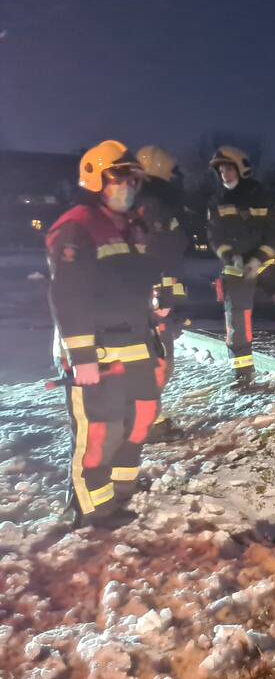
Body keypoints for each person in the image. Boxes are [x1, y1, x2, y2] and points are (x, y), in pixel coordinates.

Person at [46, 140, 160, 527]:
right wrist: (82, 357)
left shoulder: (132, 226)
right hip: (97, 351)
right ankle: (93, 508)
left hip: (135, 342)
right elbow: (67, 295)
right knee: (101, 431)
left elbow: (138, 280)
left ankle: (121, 490)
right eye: (118, 178)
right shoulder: (77, 226)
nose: (126, 187)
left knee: (141, 417)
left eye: (132, 180)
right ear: (95, 179)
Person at [206, 145, 275, 384]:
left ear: (241, 169)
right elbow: (215, 237)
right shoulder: (217, 201)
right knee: (237, 319)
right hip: (236, 268)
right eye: (221, 171)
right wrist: (231, 258)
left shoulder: (262, 196)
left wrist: (258, 258)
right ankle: (243, 373)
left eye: (229, 169)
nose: (225, 175)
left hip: (267, 264)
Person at [135, 145, 189, 417]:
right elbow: (165, 252)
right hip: (151, 296)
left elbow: (175, 249)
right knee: (157, 358)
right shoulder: (150, 208)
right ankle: (148, 420)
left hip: (155, 295)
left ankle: (146, 415)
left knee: (157, 356)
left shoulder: (158, 209)